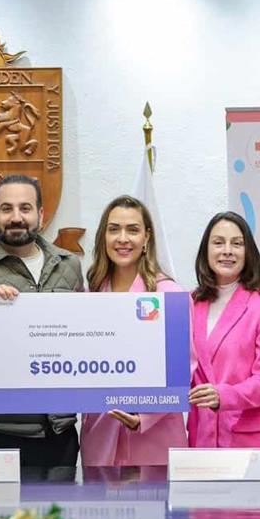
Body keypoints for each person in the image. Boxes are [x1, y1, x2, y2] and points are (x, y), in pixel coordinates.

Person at [0, 174, 84, 467]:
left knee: (59, 500)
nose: (16, 217)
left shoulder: (68, 265)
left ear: (40, 214)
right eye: (6, 208)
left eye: (25, 208)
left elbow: (79, 339)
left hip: (58, 433)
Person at [80, 195, 186, 465]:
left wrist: (145, 416)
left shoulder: (169, 295)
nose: (123, 238)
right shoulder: (89, 295)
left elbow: (184, 367)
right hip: (100, 436)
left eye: (133, 230)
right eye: (114, 229)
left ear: (146, 237)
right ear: (103, 236)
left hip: (155, 436)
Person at [188, 212, 260, 463]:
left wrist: (223, 396)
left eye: (237, 243)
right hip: (202, 441)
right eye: (218, 242)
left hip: (252, 443)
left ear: (248, 252)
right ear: (205, 250)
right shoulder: (191, 303)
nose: (227, 251)